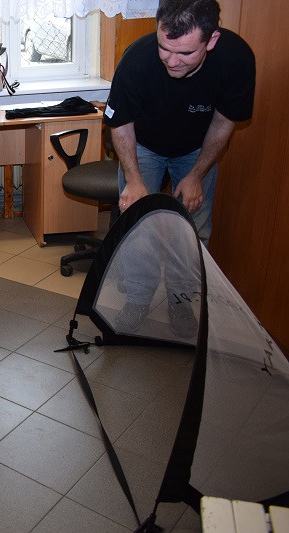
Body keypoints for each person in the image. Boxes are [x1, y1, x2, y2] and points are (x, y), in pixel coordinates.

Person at [103, 0, 255, 336]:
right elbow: (121, 124)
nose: (172, 61)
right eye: (164, 48)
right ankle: (138, 300)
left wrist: (197, 174)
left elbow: (223, 122)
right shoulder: (138, 59)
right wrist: (134, 179)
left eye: (185, 53)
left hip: (197, 147)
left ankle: (180, 300)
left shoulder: (236, 60)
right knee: (137, 223)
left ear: (211, 40)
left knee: (193, 227)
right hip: (141, 143)